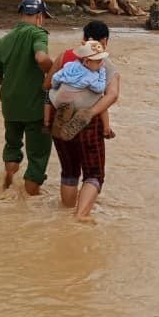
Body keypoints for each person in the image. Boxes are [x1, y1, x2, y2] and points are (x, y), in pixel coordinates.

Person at [48, 22, 121, 221]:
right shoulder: (106, 65)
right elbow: (112, 95)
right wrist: (91, 113)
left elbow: (47, 84)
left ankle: (65, 214)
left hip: (60, 115)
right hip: (87, 122)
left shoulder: (65, 57)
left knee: (69, 170)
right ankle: (80, 215)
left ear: (84, 37)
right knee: (94, 174)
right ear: (104, 41)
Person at [0, 0, 55, 194]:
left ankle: (8, 181)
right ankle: (30, 196)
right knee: (38, 154)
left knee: (12, 145)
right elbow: (41, 57)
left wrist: (15, 79)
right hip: (35, 107)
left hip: (10, 105)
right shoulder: (38, 34)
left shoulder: (3, 41)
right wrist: (53, 74)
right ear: (40, 17)